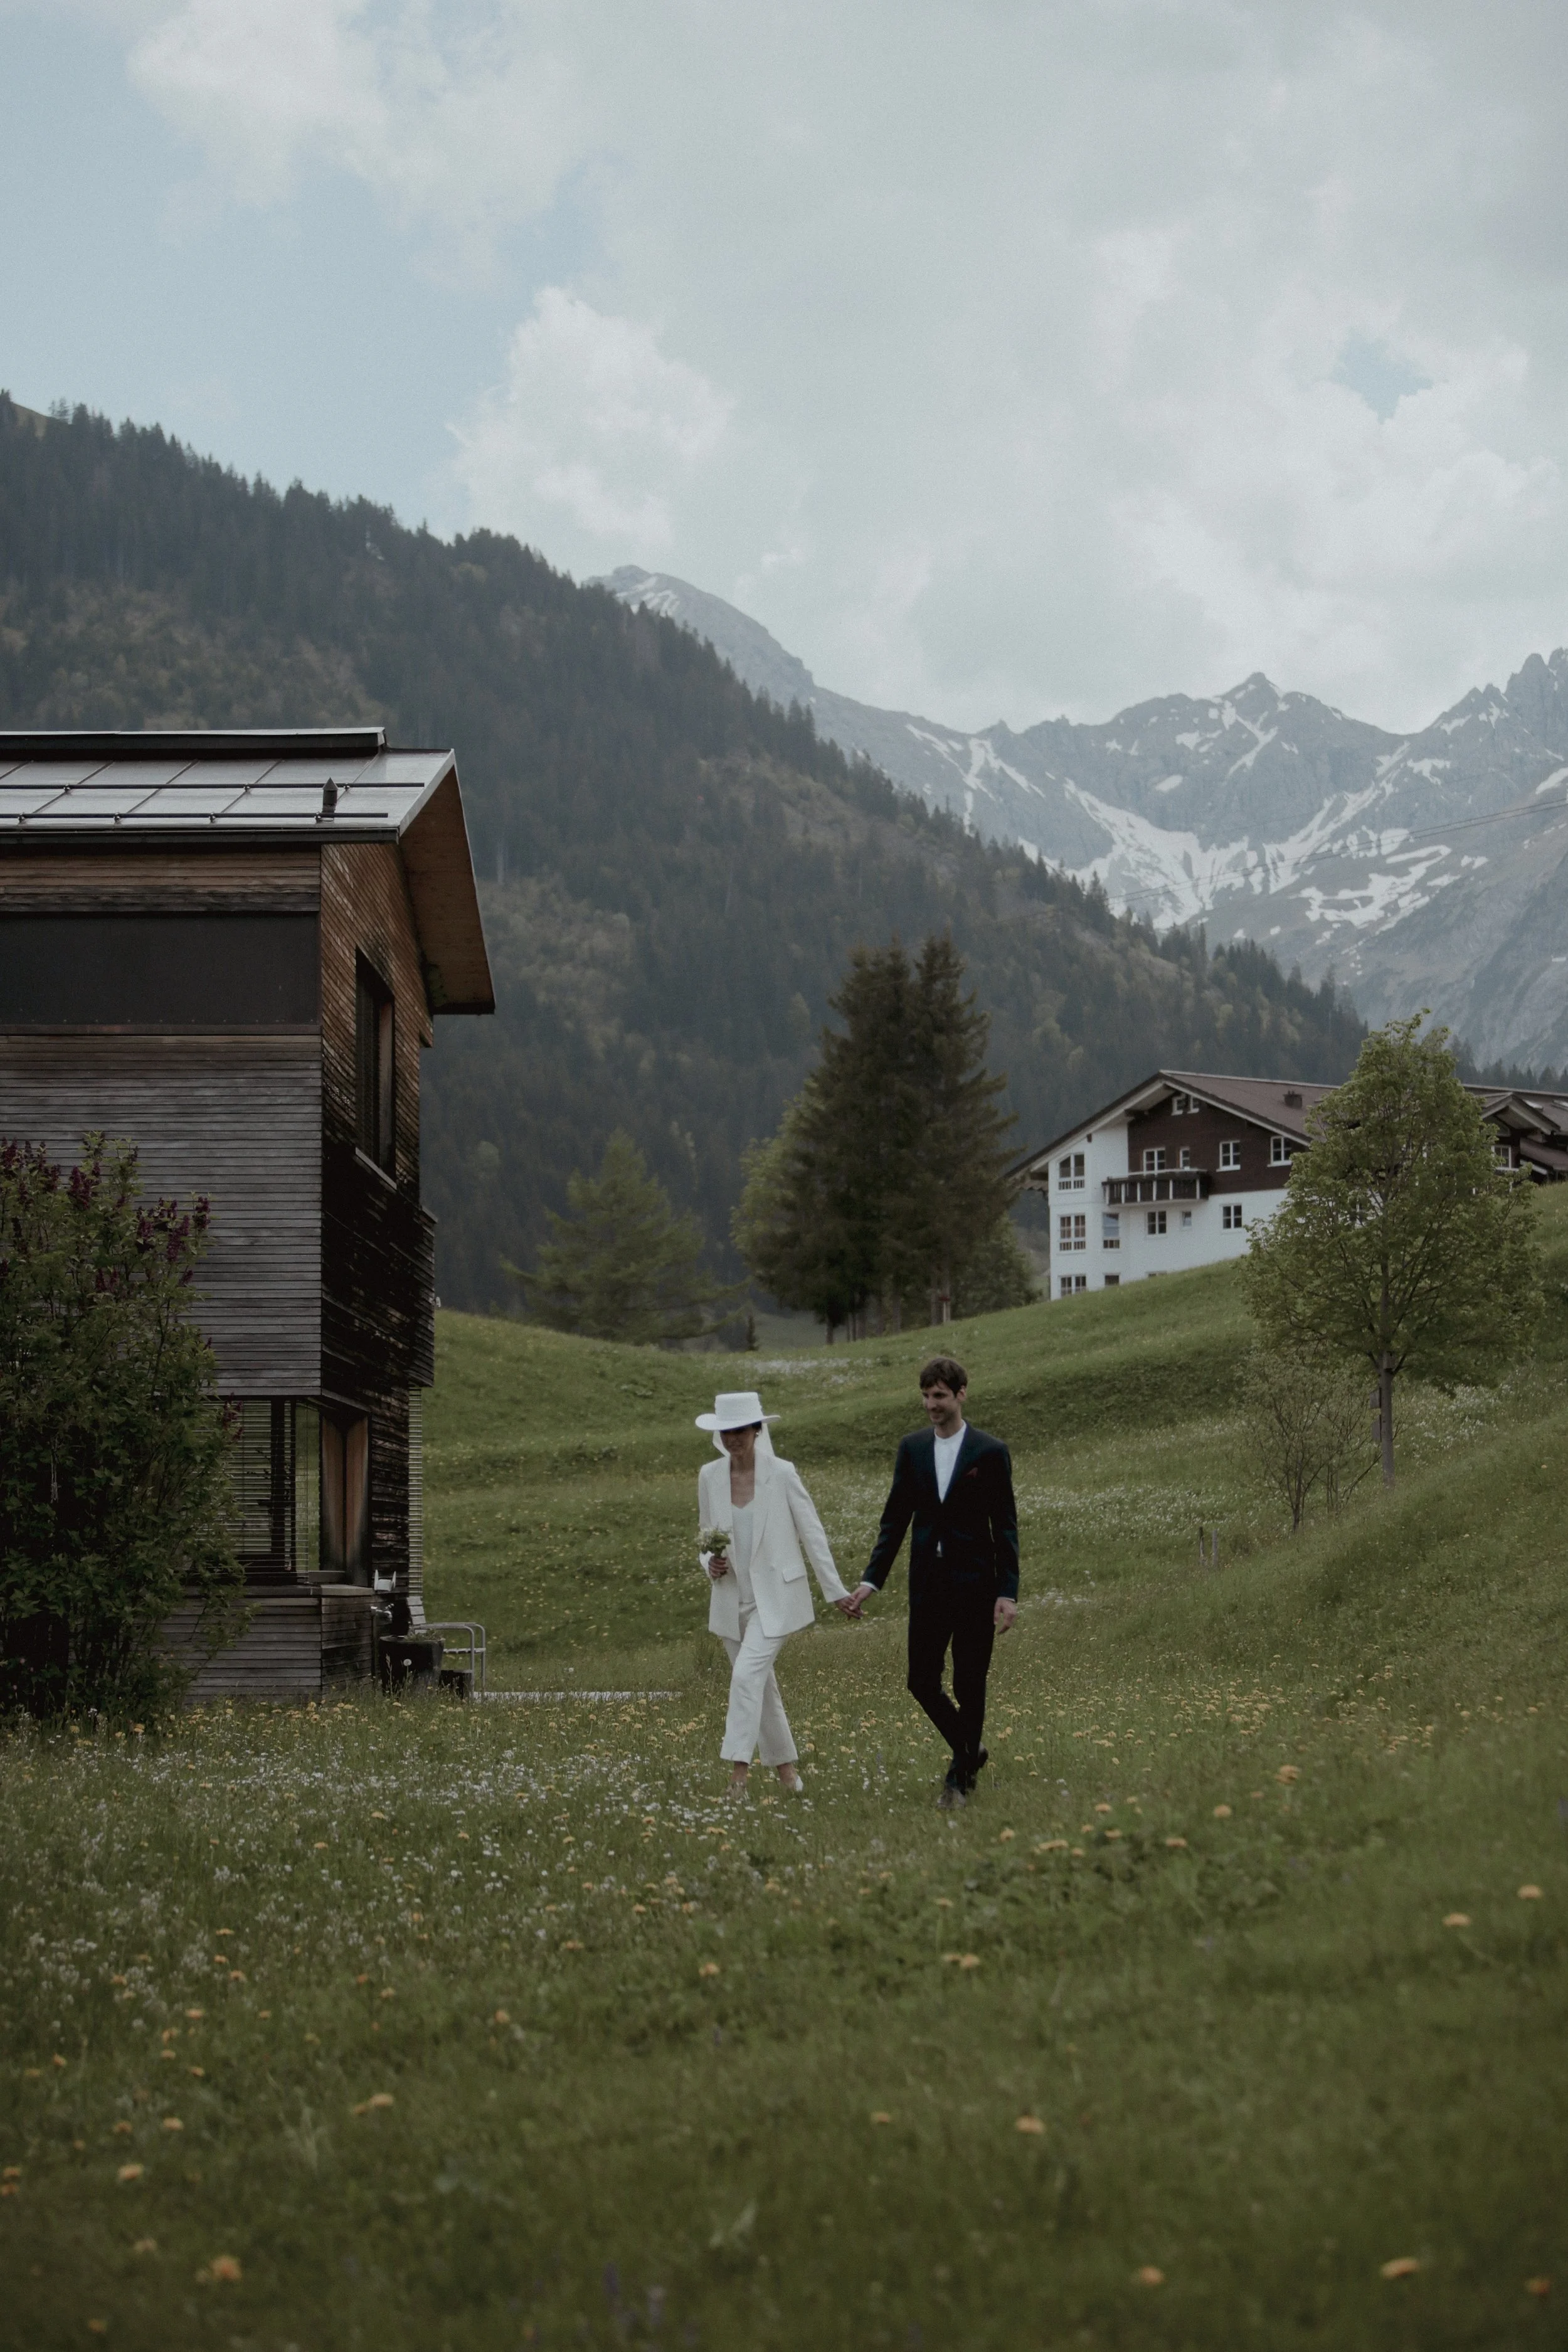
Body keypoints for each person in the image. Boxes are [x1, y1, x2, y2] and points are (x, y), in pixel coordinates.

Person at [847, 1355, 1019, 1808]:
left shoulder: (990, 1452)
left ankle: (959, 1781)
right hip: (928, 1584)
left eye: (939, 1396)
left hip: (976, 1584)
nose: (931, 1405)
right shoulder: (913, 1449)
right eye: (925, 1396)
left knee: (969, 1683)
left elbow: (1005, 1527)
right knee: (921, 1680)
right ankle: (971, 1747)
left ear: (961, 1394)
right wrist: (870, 1582)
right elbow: (895, 1521)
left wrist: (1007, 1592)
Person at [696, 1389, 859, 1798]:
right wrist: (709, 1564)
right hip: (732, 1601)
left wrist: (835, 1590)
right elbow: (704, 1539)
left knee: (747, 1678)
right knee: (760, 1687)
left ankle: (738, 1777)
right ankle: (788, 1775)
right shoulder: (709, 1477)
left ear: (756, 1430)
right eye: (726, 1432)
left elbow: (813, 1534)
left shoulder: (782, 1473)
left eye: (740, 1430)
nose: (733, 1438)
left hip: (777, 1601)